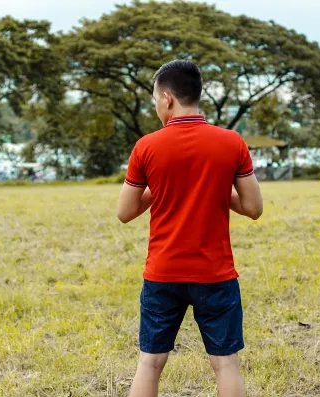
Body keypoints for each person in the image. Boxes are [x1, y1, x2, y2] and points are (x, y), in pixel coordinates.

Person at [117, 60, 263, 397]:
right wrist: (213, 185)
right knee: (226, 364)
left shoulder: (147, 146)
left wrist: (163, 186)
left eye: (155, 100)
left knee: (149, 363)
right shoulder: (232, 142)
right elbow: (253, 208)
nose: (156, 107)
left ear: (167, 98)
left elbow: (125, 212)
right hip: (216, 273)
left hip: (163, 272)